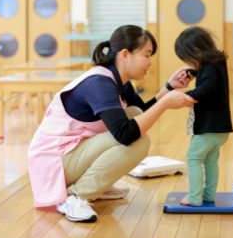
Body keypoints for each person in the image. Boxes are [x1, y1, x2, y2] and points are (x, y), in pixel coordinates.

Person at [28, 25, 196, 222]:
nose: (150, 62)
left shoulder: (118, 80)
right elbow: (125, 134)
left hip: (70, 152)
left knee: (134, 113)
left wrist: (168, 88)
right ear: (125, 54)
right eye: (146, 55)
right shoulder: (100, 83)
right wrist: (166, 103)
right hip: (54, 162)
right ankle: (76, 195)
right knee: (139, 141)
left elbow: (141, 112)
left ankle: (96, 186)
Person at [174, 26, 233, 206]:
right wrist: (194, 73)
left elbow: (207, 88)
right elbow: (211, 80)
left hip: (208, 127)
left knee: (194, 158)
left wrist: (188, 96)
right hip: (220, 128)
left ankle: (194, 197)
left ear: (196, 51)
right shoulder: (217, 62)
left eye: (189, 59)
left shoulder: (208, 67)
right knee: (210, 160)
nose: (189, 63)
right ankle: (208, 195)